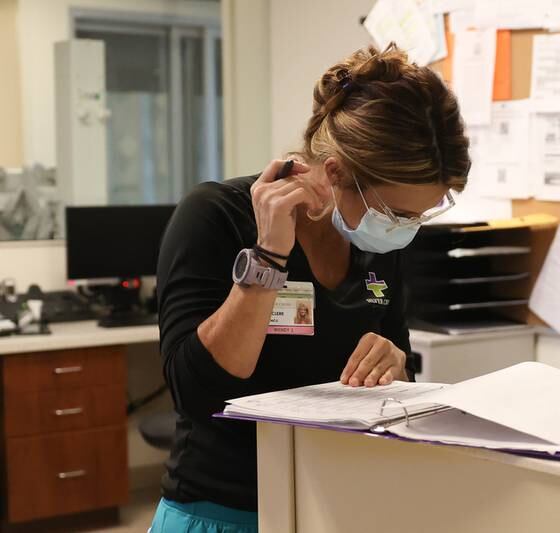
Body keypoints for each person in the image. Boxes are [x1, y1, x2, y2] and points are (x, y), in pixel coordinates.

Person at [149, 43, 470, 532]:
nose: (405, 228)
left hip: (335, 501)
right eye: (398, 213)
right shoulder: (216, 215)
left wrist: (394, 360)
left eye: (418, 215)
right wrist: (268, 257)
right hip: (226, 510)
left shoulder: (378, 245)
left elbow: (397, 357)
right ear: (338, 174)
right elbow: (196, 393)